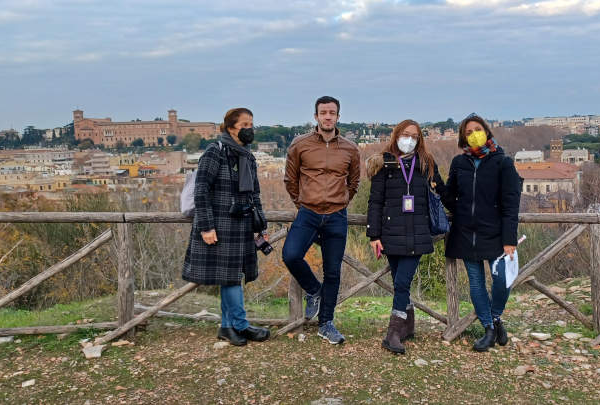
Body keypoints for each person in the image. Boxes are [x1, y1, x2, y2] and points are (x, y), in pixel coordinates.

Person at [182, 107, 270, 346]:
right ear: (231, 127)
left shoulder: (247, 156)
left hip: (241, 226)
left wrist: (260, 224)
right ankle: (239, 325)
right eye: (245, 125)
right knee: (230, 278)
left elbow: (255, 193)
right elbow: (201, 191)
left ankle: (227, 326)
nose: (250, 129)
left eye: (251, 124)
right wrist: (206, 227)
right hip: (220, 225)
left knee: (233, 277)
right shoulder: (215, 152)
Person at [282, 96, 361, 344]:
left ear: (338, 116)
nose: (328, 116)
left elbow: (354, 182)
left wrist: (341, 202)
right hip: (308, 213)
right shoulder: (300, 144)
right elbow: (290, 179)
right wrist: (302, 202)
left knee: (333, 272)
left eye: (332, 112)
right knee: (291, 255)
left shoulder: (350, 148)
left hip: (337, 216)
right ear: (315, 116)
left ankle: (326, 323)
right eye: (323, 112)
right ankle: (314, 290)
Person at [441, 114, 521, 352]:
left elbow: (510, 204)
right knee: (476, 283)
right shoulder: (459, 163)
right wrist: (435, 181)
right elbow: (452, 199)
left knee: (501, 281)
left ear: (486, 131)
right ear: (463, 138)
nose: (473, 134)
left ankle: (495, 318)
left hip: (495, 234)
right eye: (468, 132)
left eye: (477, 129)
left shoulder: (503, 162)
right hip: (466, 232)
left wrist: (510, 239)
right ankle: (489, 328)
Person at [366, 119, 445, 354]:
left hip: (418, 233)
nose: (408, 140)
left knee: (401, 283)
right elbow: (375, 201)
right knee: (400, 283)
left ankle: (393, 334)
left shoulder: (426, 163)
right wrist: (373, 235)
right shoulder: (384, 163)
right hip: (391, 234)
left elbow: (441, 190)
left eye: (414, 136)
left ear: (419, 140)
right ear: (396, 135)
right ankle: (408, 326)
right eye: (405, 134)